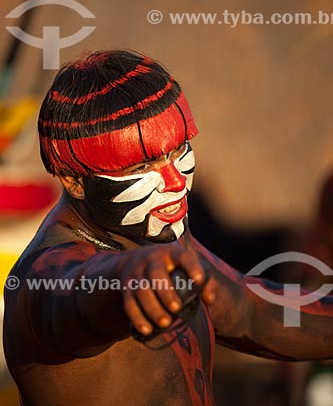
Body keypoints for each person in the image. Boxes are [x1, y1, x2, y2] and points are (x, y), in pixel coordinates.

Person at [3, 50, 333, 406]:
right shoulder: (44, 278)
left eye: (179, 151)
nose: (175, 181)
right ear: (74, 181)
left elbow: (250, 313)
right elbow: (77, 294)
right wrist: (128, 276)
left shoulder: (155, 229)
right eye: (143, 165)